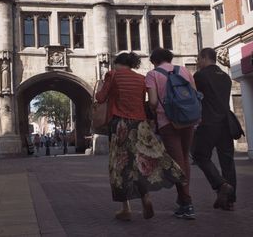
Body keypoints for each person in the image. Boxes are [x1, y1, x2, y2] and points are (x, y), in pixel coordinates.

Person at [96, 52, 186, 221]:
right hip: (140, 124)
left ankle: (126, 208)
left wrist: (102, 85)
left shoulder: (112, 75)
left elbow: (100, 98)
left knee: (120, 167)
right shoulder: (140, 79)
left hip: (120, 125)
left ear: (117, 63)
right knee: (140, 163)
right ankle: (147, 196)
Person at [146, 48, 196, 219]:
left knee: (177, 162)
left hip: (167, 121)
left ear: (154, 61)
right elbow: (195, 94)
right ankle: (183, 201)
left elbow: (152, 101)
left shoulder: (153, 74)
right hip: (188, 120)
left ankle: (187, 203)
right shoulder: (183, 70)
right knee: (184, 158)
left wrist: (154, 111)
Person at [192, 48, 236, 211]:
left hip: (209, 123)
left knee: (200, 155)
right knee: (227, 162)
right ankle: (229, 201)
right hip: (226, 122)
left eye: (198, 59)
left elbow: (194, 97)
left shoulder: (200, 76)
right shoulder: (226, 77)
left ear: (204, 58)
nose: (198, 62)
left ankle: (221, 184)